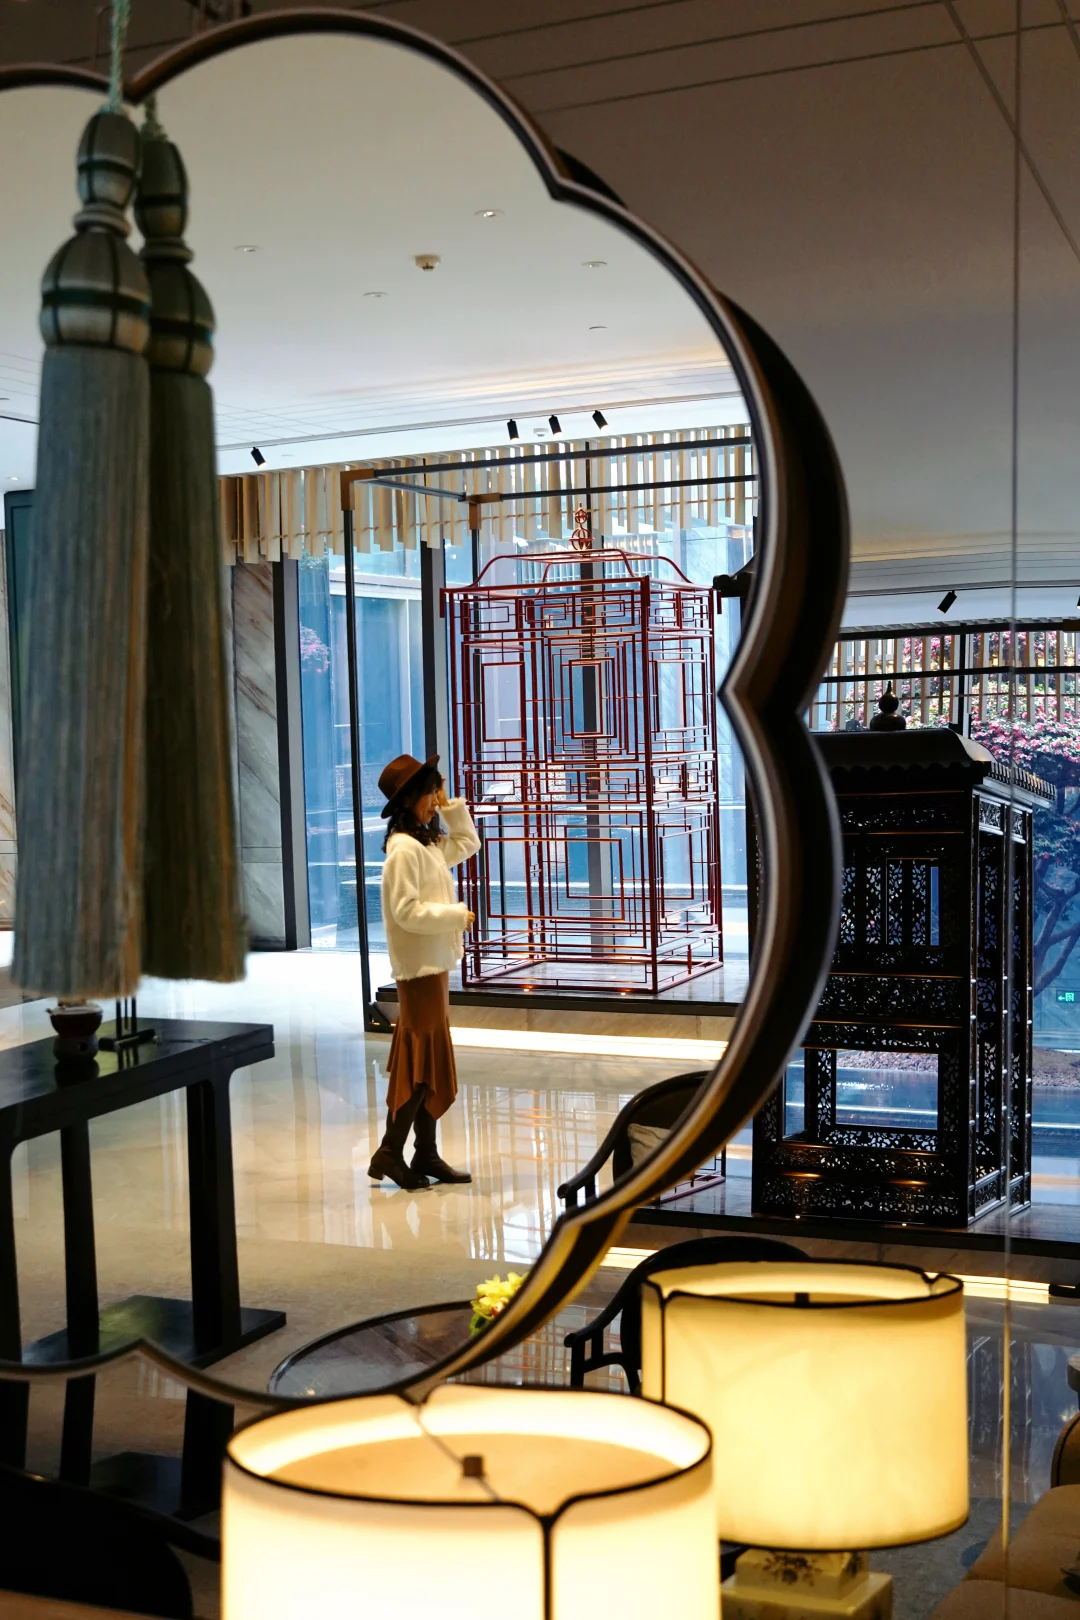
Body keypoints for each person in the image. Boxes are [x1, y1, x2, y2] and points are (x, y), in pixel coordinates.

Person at [369, 752, 480, 1190]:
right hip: (418, 970)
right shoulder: (403, 850)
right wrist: (455, 916)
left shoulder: (426, 844)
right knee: (418, 1061)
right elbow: (405, 911)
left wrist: (450, 806)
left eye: (438, 792)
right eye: (431, 793)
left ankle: (424, 1152)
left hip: (432, 965)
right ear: (409, 798)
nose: (436, 800)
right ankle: (391, 1151)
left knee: (427, 1058)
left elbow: (468, 843)